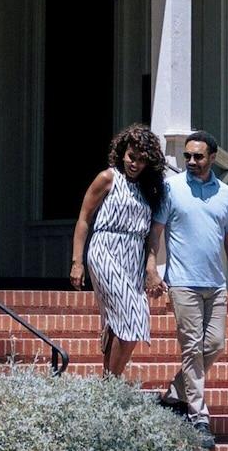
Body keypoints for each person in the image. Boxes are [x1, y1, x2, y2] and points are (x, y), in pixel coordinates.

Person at [147, 130, 228, 442]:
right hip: (183, 283)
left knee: (213, 345)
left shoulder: (225, 195)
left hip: (215, 284)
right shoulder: (171, 188)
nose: (191, 161)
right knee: (191, 348)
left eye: (198, 156)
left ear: (212, 158)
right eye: (187, 155)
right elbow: (156, 231)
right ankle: (199, 417)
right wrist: (151, 267)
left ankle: (174, 394)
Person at [70, 123, 168, 378]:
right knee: (130, 315)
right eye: (131, 157)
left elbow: (152, 235)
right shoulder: (108, 178)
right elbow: (83, 218)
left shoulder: (150, 189)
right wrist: (76, 262)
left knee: (133, 320)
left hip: (133, 255)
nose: (134, 164)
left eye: (141, 160)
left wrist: (150, 268)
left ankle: (109, 381)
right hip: (106, 250)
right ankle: (110, 384)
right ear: (122, 152)